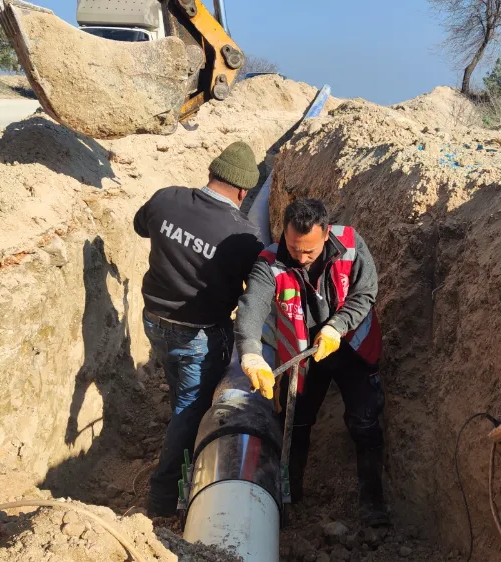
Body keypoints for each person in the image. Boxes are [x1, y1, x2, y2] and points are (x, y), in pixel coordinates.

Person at [234, 198, 389, 527]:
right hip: (303, 354)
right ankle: (290, 495)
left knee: (365, 423)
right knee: (295, 423)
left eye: (309, 251)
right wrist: (250, 354)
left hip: (352, 347)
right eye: (294, 249)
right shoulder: (270, 263)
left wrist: (336, 326)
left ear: (326, 234)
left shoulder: (350, 245)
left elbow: (365, 292)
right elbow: (252, 307)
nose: (301, 258)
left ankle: (372, 501)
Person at [134, 140, 264, 516]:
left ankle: (181, 430)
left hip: (154, 320)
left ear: (211, 173)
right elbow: (255, 290)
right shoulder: (244, 237)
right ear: (243, 191)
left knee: (179, 388)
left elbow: (141, 227)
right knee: (191, 408)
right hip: (198, 335)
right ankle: (163, 496)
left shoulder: (167, 198)